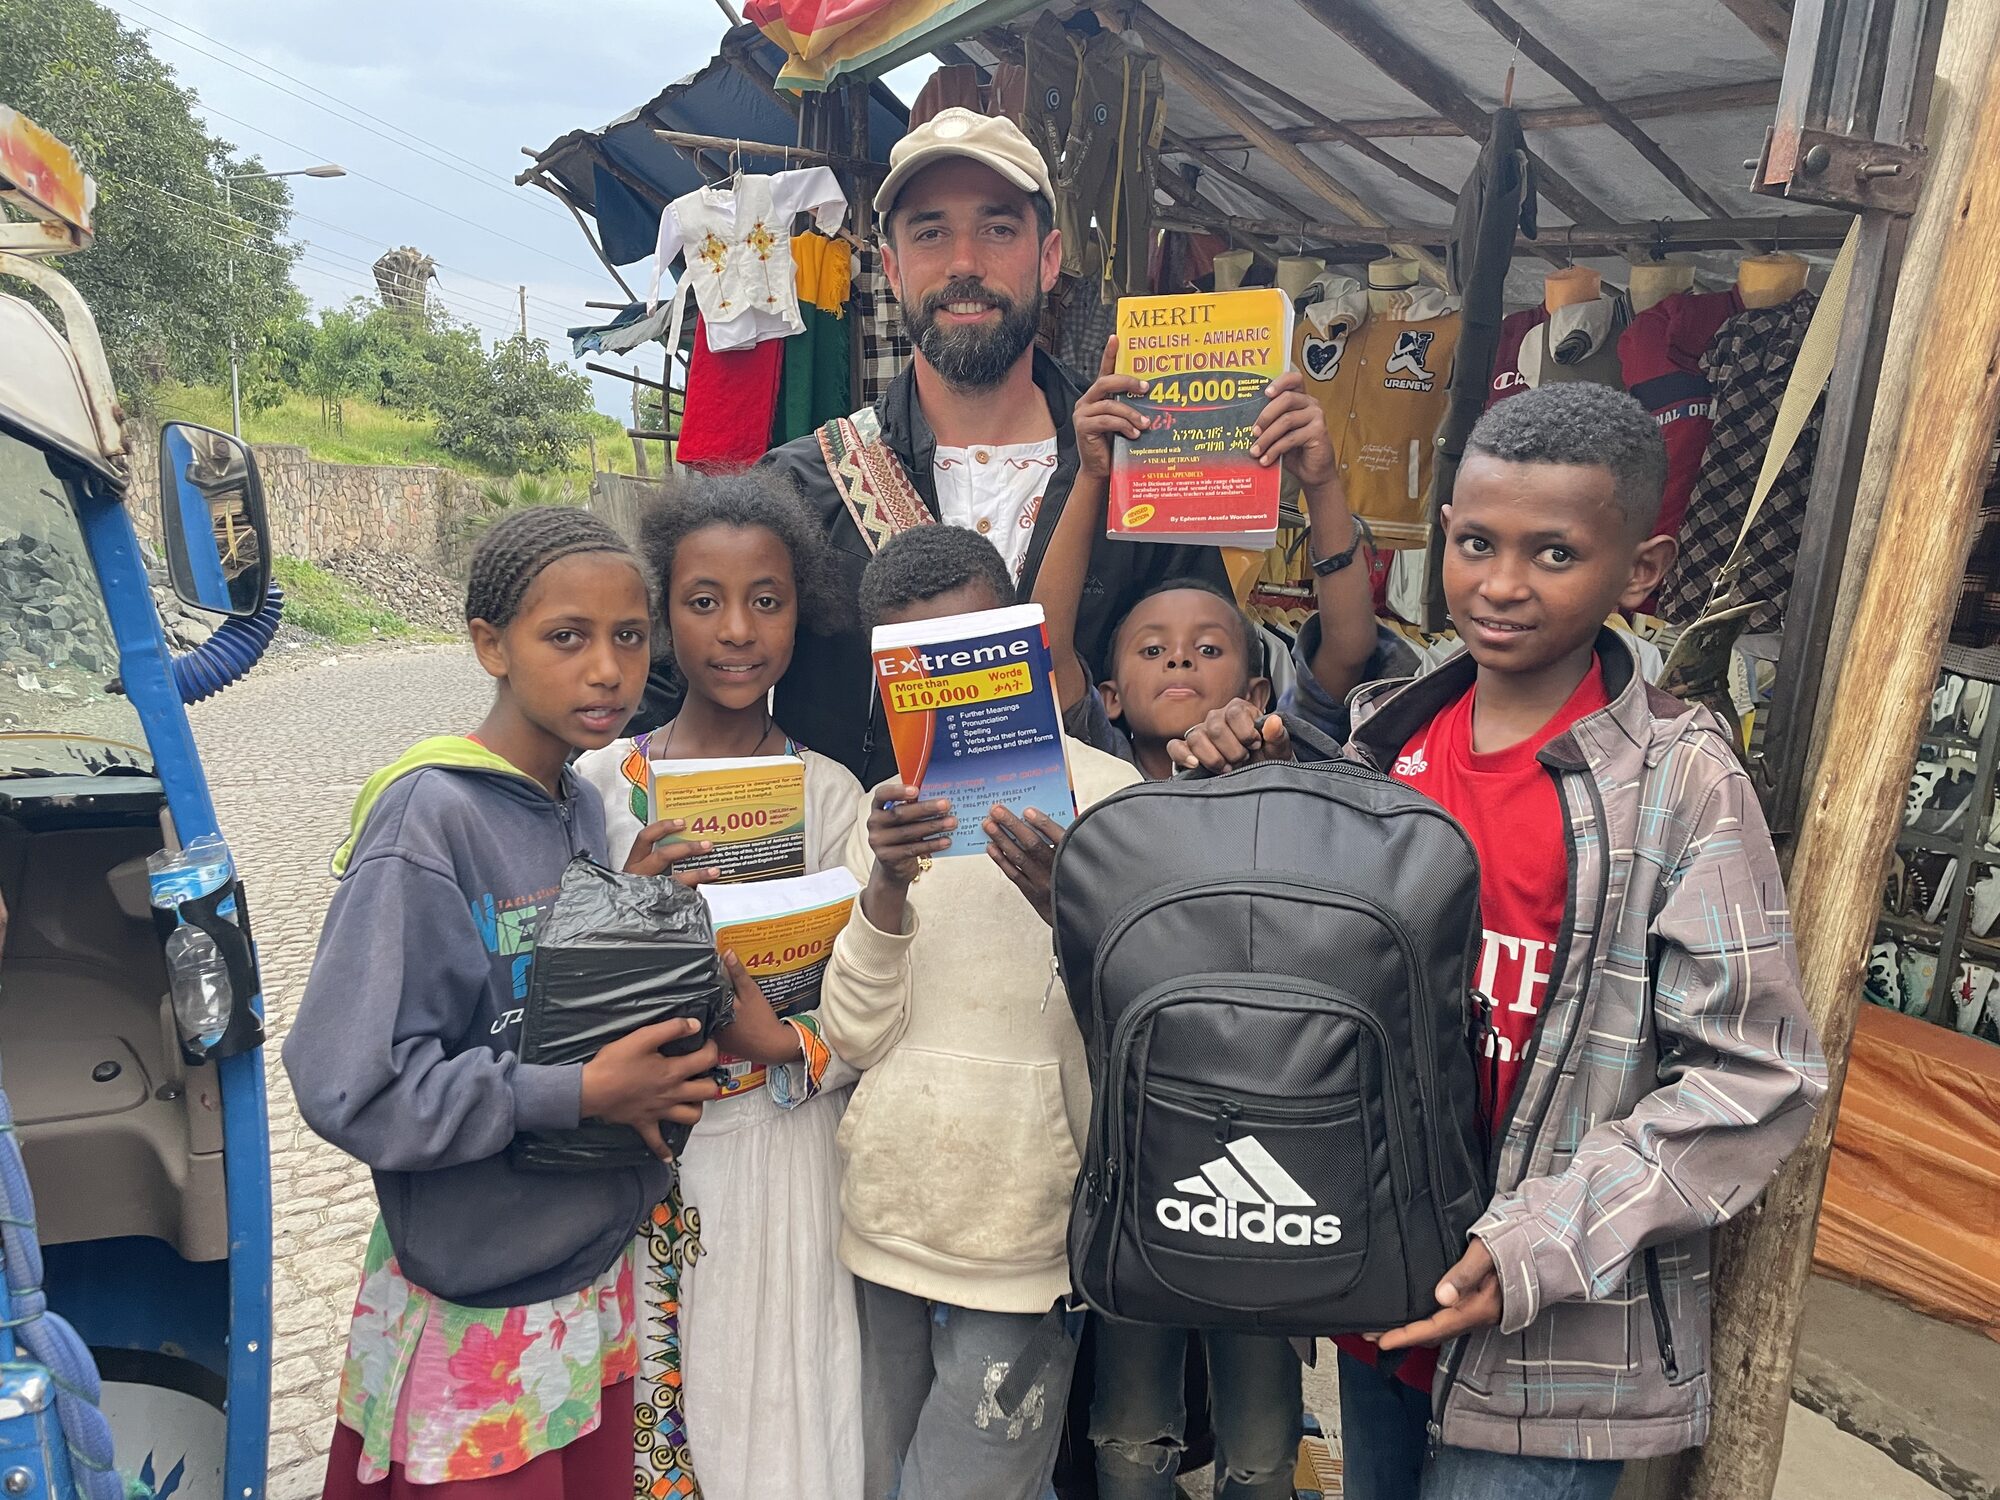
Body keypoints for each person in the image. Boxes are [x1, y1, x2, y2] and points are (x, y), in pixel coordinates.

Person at [1171, 383, 1827, 1499]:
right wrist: (1239, 797)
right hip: (1380, 1300)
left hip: (1554, 1347)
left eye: (1554, 553)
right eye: (1474, 543)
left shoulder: (1676, 784)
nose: (1501, 584)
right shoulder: (1385, 742)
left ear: (1641, 570)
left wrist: (1535, 1246)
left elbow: (1754, 1076)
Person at [287, 506, 794, 1497]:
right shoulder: (428, 819)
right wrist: (575, 1095)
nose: (606, 669)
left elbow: (547, 1006)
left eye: (628, 636)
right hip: (476, 1299)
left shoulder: (578, 805)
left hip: (582, 1275)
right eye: (566, 637)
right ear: (490, 645)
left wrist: (632, 910)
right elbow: (351, 1084)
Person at [756, 107, 1229, 786]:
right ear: (891, 268)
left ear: (1049, 259)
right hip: (874, 887)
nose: (965, 263)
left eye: (998, 228)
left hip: (1090, 877)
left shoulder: (1139, 463)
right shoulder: (807, 485)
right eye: (931, 233)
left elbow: (1218, 687)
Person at [817, 524, 1140, 1500]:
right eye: (914, 665)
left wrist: (1066, 908)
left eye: (969, 650)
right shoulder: (881, 819)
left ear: (1023, 643)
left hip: (1023, 1233)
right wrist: (884, 884)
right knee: (879, 1481)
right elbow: (850, 1036)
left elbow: (1136, 1036)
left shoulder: (1115, 802)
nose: (948, 684)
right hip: (887, 1214)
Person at [573, 475, 866, 1500]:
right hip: (624, 1152)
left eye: (767, 601)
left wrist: (785, 1042)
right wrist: (624, 915)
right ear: (661, 617)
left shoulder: (833, 797)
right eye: (702, 602)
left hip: (778, 1157)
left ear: (803, 614)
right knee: (642, 1405)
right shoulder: (597, 787)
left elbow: (874, 1000)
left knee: (774, 1410)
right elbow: (532, 987)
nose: (736, 631)